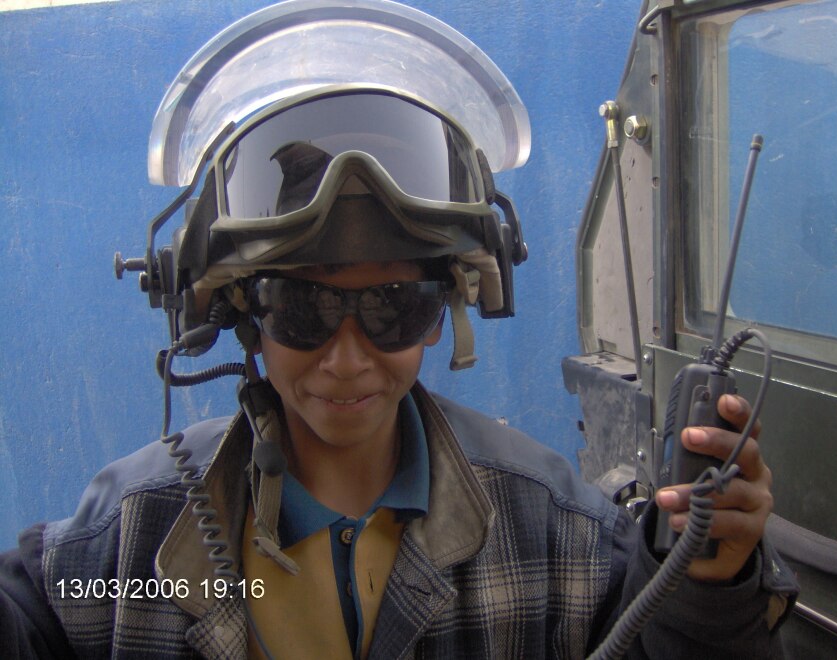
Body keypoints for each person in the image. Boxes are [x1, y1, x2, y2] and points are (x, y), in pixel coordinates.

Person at [0, 1, 797, 658]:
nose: (347, 361)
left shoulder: (554, 535)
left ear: (448, 304)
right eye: (301, 306)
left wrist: (709, 581)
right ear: (235, 310)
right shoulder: (130, 540)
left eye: (393, 306)